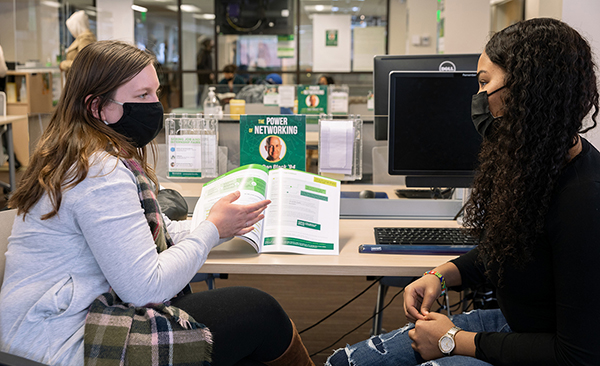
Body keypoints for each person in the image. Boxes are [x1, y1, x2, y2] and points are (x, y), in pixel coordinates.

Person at [0, 40, 315, 366]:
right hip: (59, 339)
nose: (155, 105)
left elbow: (150, 234)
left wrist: (222, 225)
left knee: (246, 335)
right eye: (141, 96)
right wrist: (210, 230)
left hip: (76, 314)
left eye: (155, 92)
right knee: (257, 311)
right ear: (97, 107)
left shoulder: (92, 154)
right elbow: (144, 288)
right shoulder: (96, 171)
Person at [326, 18, 600, 366]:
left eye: (485, 83)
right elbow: (509, 253)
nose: (479, 98)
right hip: (517, 326)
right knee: (343, 362)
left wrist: (452, 342)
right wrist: (440, 276)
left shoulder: (585, 200)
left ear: (529, 89)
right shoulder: (533, 162)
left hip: (551, 350)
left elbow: (579, 356)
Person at [59, 10, 96, 76]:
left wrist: (63, 65)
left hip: (80, 80)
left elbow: (83, 63)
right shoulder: (82, 38)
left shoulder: (85, 38)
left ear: (77, 26)